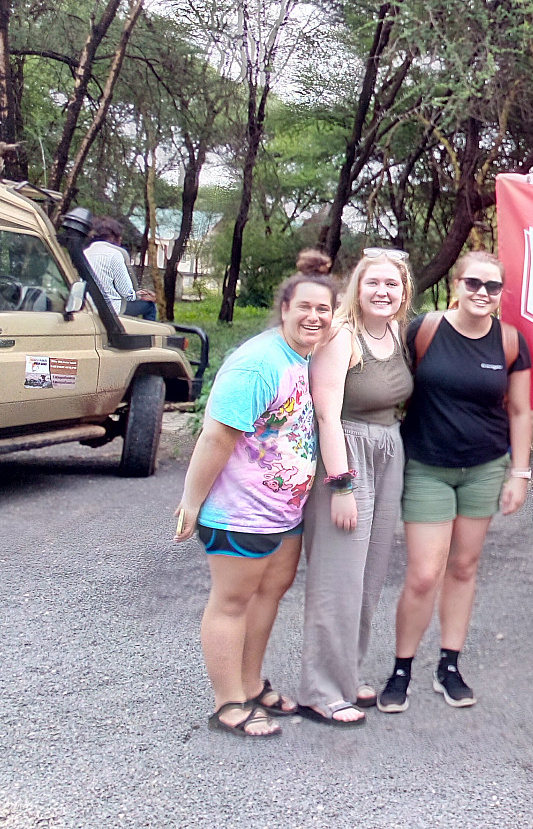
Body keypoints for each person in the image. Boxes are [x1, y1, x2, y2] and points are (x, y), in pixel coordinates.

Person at [172, 271, 336, 737]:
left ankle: (251, 683)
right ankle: (228, 704)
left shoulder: (304, 357)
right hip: (240, 511)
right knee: (231, 602)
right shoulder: (258, 364)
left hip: (283, 512)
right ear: (284, 307)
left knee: (269, 593)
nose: (313, 316)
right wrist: (190, 502)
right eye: (304, 306)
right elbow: (217, 436)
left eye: (322, 309)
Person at [378, 251, 532, 713]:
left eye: (493, 287)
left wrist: (518, 474)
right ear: (456, 284)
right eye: (473, 284)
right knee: (425, 574)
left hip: (483, 468)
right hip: (426, 465)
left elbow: (521, 411)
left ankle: (449, 665)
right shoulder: (423, 330)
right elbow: (383, 376)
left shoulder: (508, 341)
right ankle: (401, 668)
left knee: (464, 567)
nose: (482, 294)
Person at [297, 249, 415, 726]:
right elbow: (326, 412)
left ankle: (346, 675)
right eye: (373, 284)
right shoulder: (342, 337)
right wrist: (341, 484)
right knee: (337, 575)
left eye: (392, 285)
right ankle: (320, 690)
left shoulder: (397, 335)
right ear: (357, 289)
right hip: (347, 455)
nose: (382, 292)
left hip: (389, 450)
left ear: (404, 292)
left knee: (369, 576)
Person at [82, 217, 136, 314]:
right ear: (112, 237)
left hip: (88, 307)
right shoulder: (114, 254)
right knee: (148, 306)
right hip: (110, 312)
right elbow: (126, 292)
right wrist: (138, 295)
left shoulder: (85, 253)